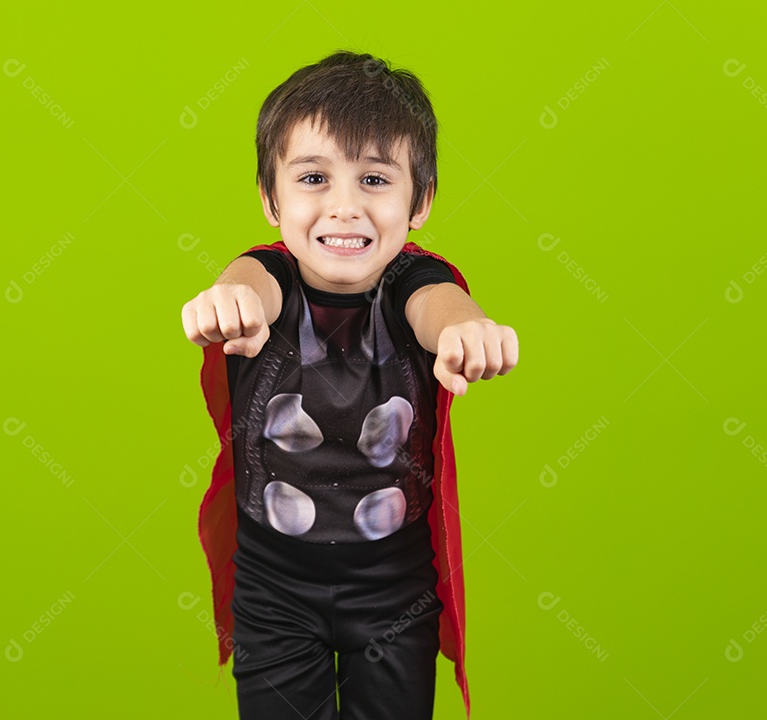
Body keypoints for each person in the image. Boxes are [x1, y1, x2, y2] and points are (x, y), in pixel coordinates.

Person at [181, 49, 519, 720]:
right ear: (271, 199)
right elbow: (247, 283)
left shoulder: (413, 285)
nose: (344, 208)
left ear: (418, 202)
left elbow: (442, 307)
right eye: (313, 177)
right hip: (274, 586)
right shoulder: (266, 278)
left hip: (392, 590)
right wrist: (226, 301)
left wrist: (467, 329)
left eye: (373, 179)